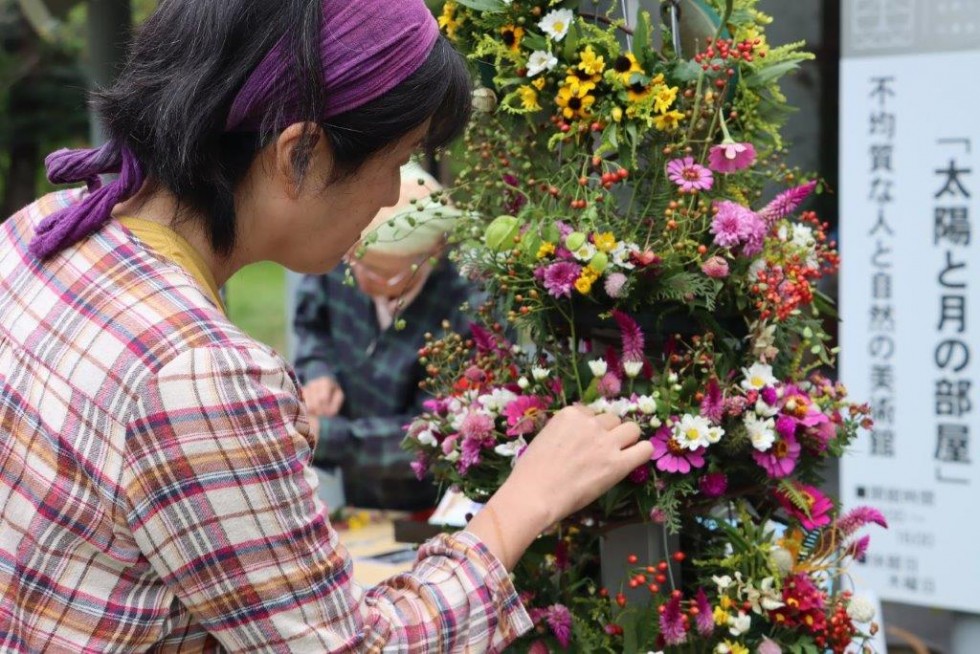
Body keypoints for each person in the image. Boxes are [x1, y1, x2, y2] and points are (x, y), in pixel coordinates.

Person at [0, 0, 654, 651]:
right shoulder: (199, 371)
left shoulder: (43, 231)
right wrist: (526, 501)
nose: (394, 196)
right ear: (302, 153)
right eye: (397, 159)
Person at [294, 161, 474, 511]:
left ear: (431, 254)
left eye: (378, 272)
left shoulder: (465, 310)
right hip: (356, 495)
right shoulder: (341, 258)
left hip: (428, 504)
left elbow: (432, 435)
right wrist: (318, 372)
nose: (358, 278)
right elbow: (311, 323)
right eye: (354, 261)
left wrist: (329, 437)